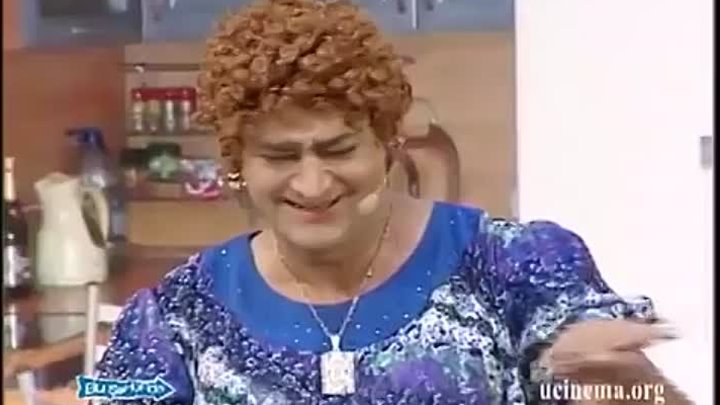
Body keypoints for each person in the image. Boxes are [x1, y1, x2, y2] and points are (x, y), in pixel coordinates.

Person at [96, 0, 692, 404]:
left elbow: (640, 397)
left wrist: (625, 385)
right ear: (238, 165)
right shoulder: (175, 318)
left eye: (339, 150)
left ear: (387, 143)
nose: (312, 183)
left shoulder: (514, 269)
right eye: (280, 157)